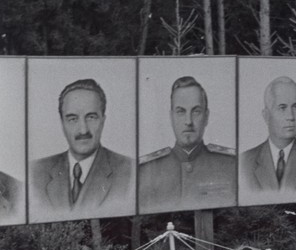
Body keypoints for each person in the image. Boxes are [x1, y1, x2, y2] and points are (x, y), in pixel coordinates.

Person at [29, 78, 133, 221]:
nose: (83, 129)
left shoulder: (130, 172)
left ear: (103, 120)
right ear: (62, 123)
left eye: (91, 117)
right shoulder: (35, 172)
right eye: (72, 119)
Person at [139, 75, 236, 213]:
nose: (188, 121)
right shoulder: (145, 171)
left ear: (206, 116)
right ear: (171, 117)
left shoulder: (231, 166)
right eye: (181, 112)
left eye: (196, 111)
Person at [240, 76, 296, 202]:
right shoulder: (244, 162)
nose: (291, 117)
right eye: (282, 108)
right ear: (266, 115)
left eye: (295, 107)